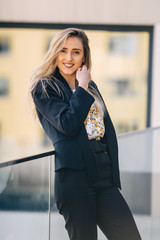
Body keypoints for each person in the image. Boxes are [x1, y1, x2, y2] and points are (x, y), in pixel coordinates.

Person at [28, 28, 141, 240]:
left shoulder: (91, 86)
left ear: (84, 55)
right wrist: (82, 86)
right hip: (74, 178)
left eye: (76, 52)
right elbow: (67, 124)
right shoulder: (44, 87)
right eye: (63, 51)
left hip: (103, 176)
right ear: (55, 53)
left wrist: (109, 163)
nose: (68, 58)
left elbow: (105, 128)